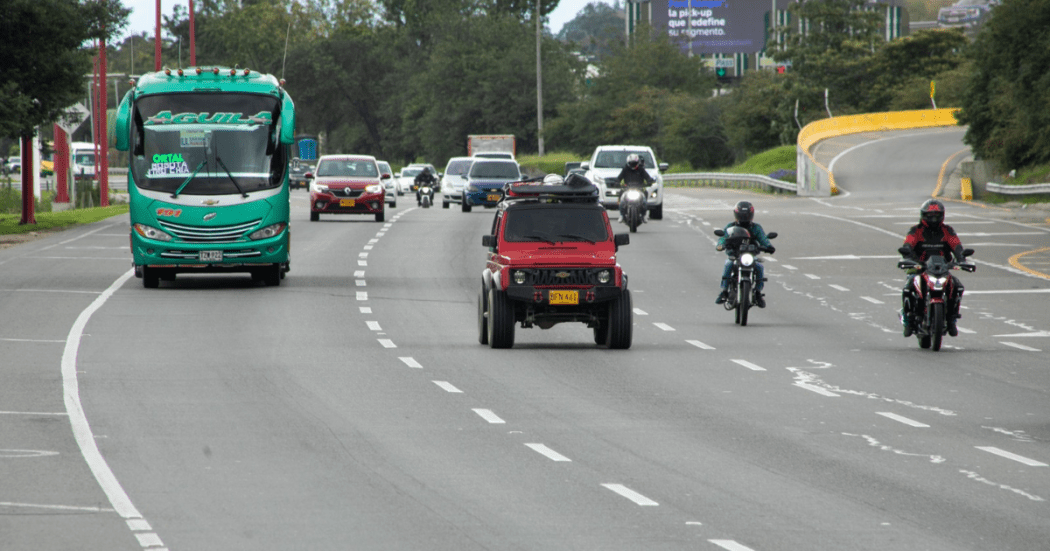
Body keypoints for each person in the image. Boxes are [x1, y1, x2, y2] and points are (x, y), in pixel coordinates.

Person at [898, 199, 967, 337]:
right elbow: (908, 244)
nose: (933, 219)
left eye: (937, 215)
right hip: (920, 267)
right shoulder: (916, 230)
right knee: (908, 287)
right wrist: (908, 256)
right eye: (930, 216)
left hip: (942, 268)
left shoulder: (947, 230)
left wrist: (961, 259)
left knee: (957, 286)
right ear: (923, 216)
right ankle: (908, 318)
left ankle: (952, 319)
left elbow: (957, 245)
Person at [715, 201, 774, 308]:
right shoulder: (730, 226)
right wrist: (721, 245)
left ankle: (757, 293)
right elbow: (723, 237)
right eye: (742, 215)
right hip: (735, 255)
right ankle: (724, 291)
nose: (744, 217)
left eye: (746, 215)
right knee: (728, 264)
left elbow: (763, 239)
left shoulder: (756, 228)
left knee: (759, 267)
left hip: (750, 255)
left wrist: (769, 246)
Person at [614, 154, 655, 222]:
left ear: (638, 162)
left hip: (639, 189)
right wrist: (617, 182)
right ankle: (621, 214)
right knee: (621, 197)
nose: (633, 165)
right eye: (631, 163)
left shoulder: (641, 169)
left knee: (644, 197)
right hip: (627, 189)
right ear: (628, 163)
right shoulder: (625, 169)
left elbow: (647, 177)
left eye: (634, 163)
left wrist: (650, 181)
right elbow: (619, 178)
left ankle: (644, 215)